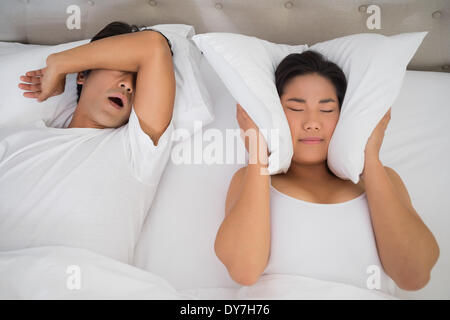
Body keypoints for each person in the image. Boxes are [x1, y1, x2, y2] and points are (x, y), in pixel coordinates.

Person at [214, 50, 440, 293]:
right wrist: (258, 155)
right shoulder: (252, 178)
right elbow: (244, 270)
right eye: (296, 108)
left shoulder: (383, 179)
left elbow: (413, 276)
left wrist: (370, 158)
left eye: (327, 109)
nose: (312, 122)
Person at [0, 21, 175, 263]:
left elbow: (153, 47)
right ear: (82, 75)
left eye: (138, 79)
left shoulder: (139, 147)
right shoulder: (14, 141)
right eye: (119, 68)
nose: (128, 85)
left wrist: (58, 63)